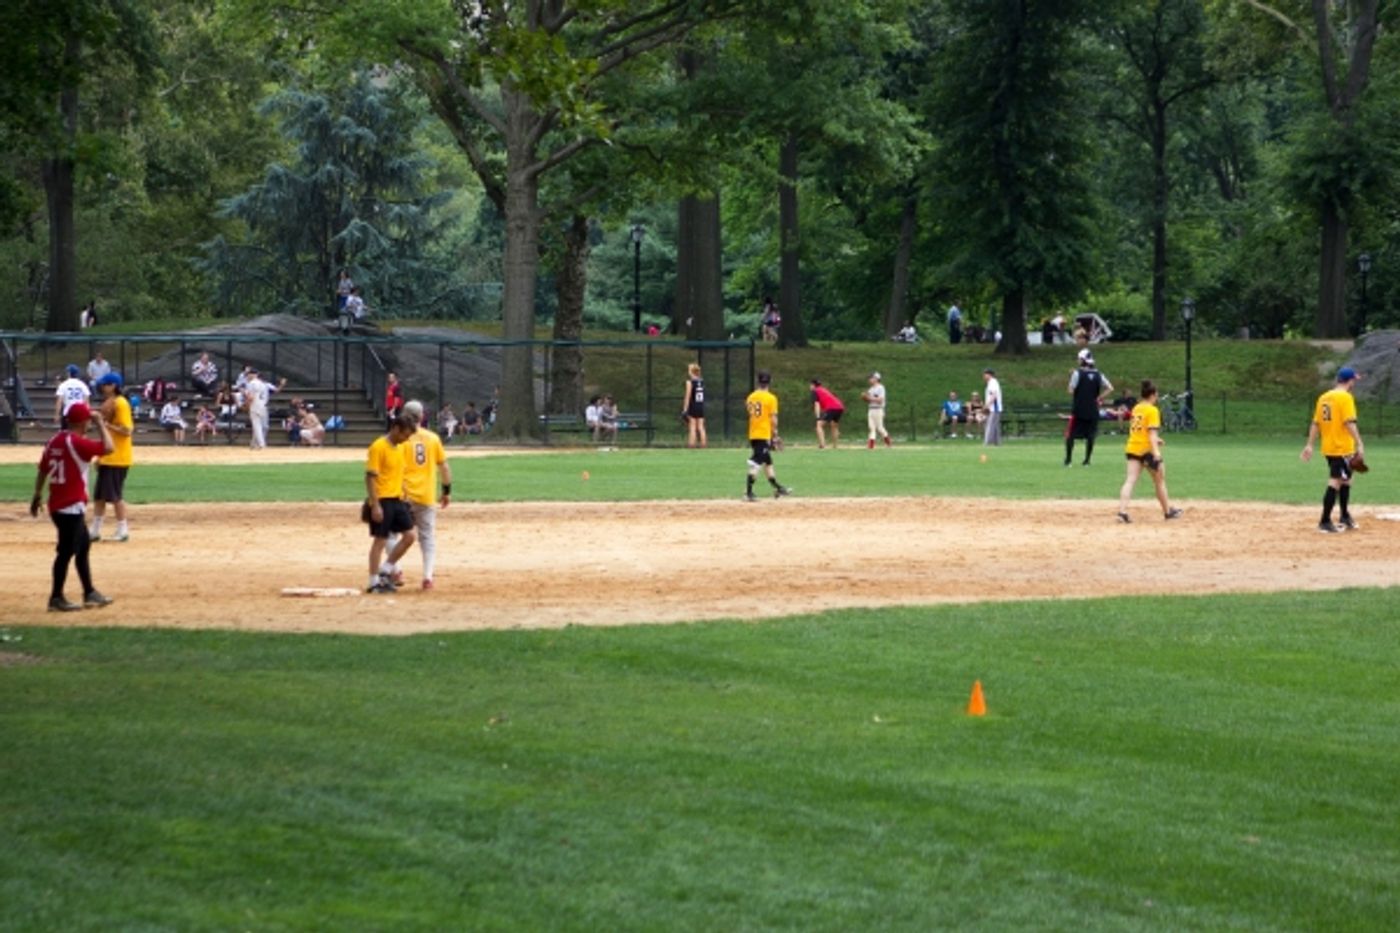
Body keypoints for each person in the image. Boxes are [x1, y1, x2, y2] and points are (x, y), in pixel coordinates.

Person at [31, 401, 115, 612]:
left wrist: (37, 493)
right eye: (87, 419)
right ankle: (56, 597)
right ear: (82, 422)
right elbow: (108, 448)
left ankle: (89, 592)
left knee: (83, 546)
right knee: (66, 551)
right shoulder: (76, 442)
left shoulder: (54, 440)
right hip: (70, 505)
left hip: (58, 504)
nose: (89, 422)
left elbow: (43, 469)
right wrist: (101, 424)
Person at [1301, 366, 1365, 533]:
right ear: (1349, 381)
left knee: (1347, 480)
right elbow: (1349, 422)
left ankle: (1344, 516)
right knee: (1336, 481)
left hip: (1329, 446)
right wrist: (1359, 442)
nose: (1354, 383)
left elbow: (1316, 423)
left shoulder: (1324, 397)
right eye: (1354, 380)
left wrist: (1309, 444)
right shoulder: (1345, 397)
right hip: (1341, 447)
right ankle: (1324, 521)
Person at [398, 400, 452, 589]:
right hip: (426, 495)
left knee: (394, 532)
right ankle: (427, 576)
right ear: (422, 416)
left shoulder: (400, 438)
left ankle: (396, 570)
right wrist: (446, 491)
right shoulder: (432, 438)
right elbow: (444, 466)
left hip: (403, 494)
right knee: (427, 536)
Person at [364, 414, 417, 593]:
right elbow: (370, 477)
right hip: (383, 499)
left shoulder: (400, 448)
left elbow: (398, 473)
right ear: (395, 429)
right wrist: (375, 504)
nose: (406, 439)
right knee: (380, 540)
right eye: (405, 435)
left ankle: (385, 571)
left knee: (409, 536)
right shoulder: (378, 447)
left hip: (397, 499)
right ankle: (373, 582)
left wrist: (405, 494)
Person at [1117, 379, 1183, 523]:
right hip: (1147, 451)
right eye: (1156, 394)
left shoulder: (1137, 407)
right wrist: (1157, 454)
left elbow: (1140, 429)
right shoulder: (1153, 410)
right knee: (1159, 482)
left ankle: (1122, 512)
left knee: (1130, 480)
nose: (1157, 396)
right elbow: (1151, 434)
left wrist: (1156, 439)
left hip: (1133, 447)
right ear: (1152, 394)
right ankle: (1168, 512)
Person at [90, 372, 133, 543]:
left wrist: (106, 424)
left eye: (105, 384)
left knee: (115, 496)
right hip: (108, 457)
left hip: (118, 457)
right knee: (99, 496)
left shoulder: (121, 403)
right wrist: (100, 456)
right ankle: (95, 530)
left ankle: (123, 530)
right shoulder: (110, 402)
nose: (102, 387)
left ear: (113, 386)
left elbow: (127, 430)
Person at [744, 370, 791, 501]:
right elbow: (773, 419)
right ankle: (748, 492)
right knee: (756, 463)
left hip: (753, 433)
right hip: (763, 433)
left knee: (768, 462)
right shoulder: (771, 398)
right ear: (769, 382)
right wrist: (775, 435)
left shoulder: (751, 397)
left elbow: (751, 413)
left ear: (758, 382)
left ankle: (778, 488)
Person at [1065, 348, 1114, 467]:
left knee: (1071, 435)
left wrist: (1071, 379)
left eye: (1078, 359)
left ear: (1082, 360)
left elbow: (1070, 390)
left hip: (1079, 409)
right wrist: (1099, 398)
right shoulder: (1098, 374)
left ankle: (1068, 460)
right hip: (1093, 410)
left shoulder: (1077, 373)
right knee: (1090, 436)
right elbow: (1110, 388)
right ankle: (1087, 460)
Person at [810, 378, 845, 449]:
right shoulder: (823, 389)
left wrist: (818, 417)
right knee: (834, 425)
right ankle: (835, 446)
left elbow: (817, 404)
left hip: (832, 408)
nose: (810, 386)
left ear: (813, 385)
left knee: (819, 425)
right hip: (840, 407)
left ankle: (822, 445)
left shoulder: (815, 391)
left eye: (810, 385)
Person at [863, 371, 892, 448]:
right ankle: (871, 446)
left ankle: (888, 443)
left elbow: (880, 400)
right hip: (871, 409)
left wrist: (869, 398)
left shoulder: (880, 387)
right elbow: (868, 399)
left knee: (880, 428)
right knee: (871, 427)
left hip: (878, 409)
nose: (870, 379)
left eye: (871, 378)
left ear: (876, 379)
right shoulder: (871, 389)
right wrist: (865, 398)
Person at [682, 362, 708, 448]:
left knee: (692, 427)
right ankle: (703, 445)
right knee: (701, 427)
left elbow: (688, 396)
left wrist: (685, 409)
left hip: (693, 405)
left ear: (691, 371)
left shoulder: (690, 382)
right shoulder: (702, 381)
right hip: (700, 405)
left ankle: (691, 445)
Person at [981, 369, 1003, 446]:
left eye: (985, 374)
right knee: (995, 426)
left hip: (994, 408)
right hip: (992, 407)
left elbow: (994, 395)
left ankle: (987, 442)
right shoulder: (991, 383)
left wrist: (987, 405)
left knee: (990, 424)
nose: (983, 376)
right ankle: (997, 442)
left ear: (989, 375)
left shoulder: (993, 382)